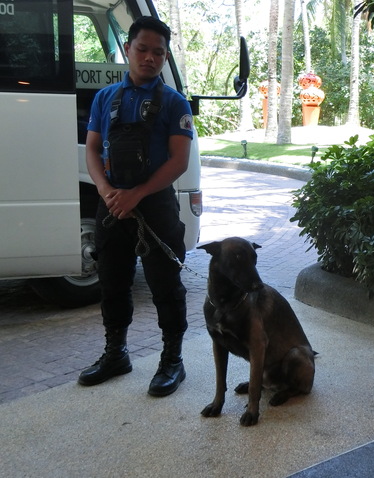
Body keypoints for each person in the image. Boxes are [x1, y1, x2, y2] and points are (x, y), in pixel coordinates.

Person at [78, 16, 194, 397]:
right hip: (112, 202)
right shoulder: (104, 97)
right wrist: (106, 189)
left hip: (155, 204)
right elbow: (93, 150)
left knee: (165, 285)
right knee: (112, 281)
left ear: (165, 57)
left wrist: (137, 193)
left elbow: (178, 162)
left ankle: (172, 361)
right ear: (127, 49)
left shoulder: (174, 103)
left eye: (158, 52)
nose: (149, 58)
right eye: (142, 49)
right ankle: (116, 354)